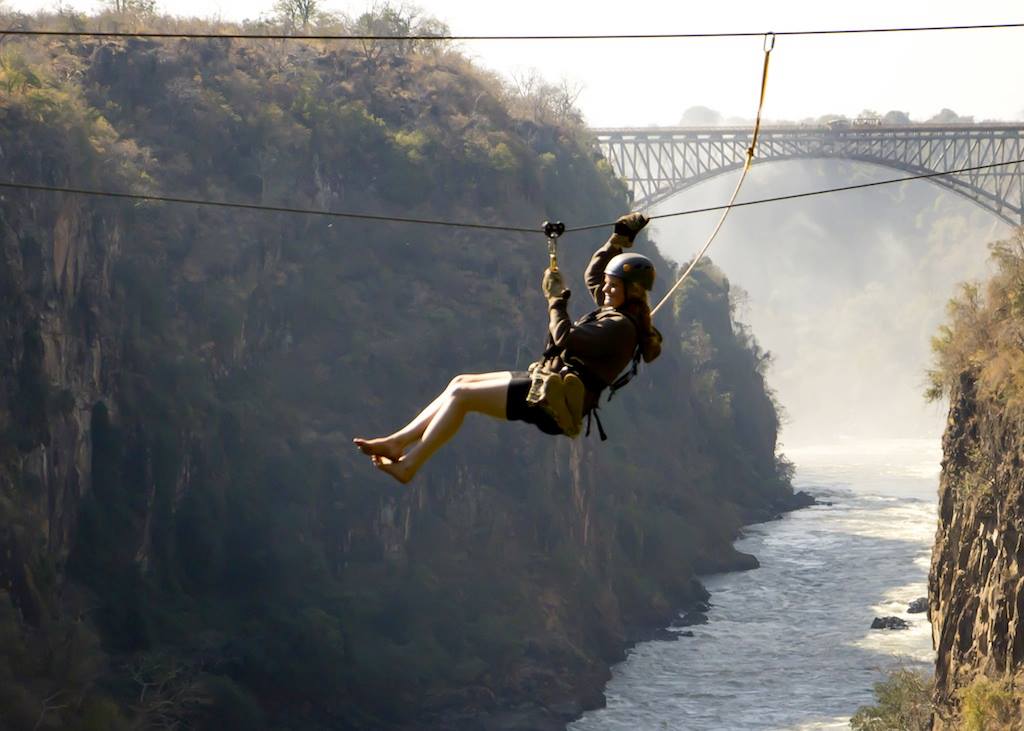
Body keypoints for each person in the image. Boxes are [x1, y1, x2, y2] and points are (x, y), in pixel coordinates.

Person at [353, 213, 662, 484]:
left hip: (552, 403)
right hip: (547, 385)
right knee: (460, 383)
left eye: (613, 285)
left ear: (632, 291)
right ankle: (398, 442)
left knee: (462, 398)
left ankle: (409, 465)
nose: (605, 289)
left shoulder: (619, 327)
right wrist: (617, 242)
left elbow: (564, 337)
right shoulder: (615, 310)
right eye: (608, 284)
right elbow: (593, 276)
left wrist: (555, 299)